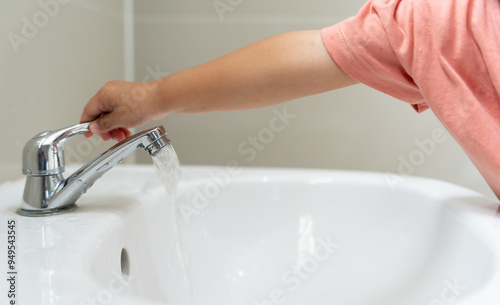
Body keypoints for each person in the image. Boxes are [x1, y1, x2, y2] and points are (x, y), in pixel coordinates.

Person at [80, 0, 500, 199]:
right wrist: (151, 96)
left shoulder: (455, 19)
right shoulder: (452, 20)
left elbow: (313, 56)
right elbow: (311, 58)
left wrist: (152, 96)